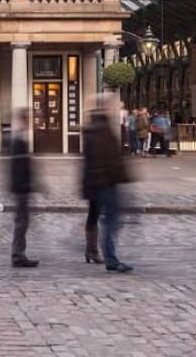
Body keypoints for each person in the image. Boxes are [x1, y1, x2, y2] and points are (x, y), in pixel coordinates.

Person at [82, 102, 133, 273]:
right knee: (110, 220)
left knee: (96, 216)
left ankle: (92, 250)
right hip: (103, 183)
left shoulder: (98, 130)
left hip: (100, 183)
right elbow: (104, 161)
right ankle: (106, 256)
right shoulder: (100, 132)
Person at [7, 109, 38, 268]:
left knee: (22, 221)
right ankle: (18, 255)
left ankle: (19, 253)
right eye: (29, 119)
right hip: (21, 189)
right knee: (21, 222)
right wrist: (25, 185)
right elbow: (18, 167)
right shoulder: (18, 140)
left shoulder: (20, 138)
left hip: (21, 187)